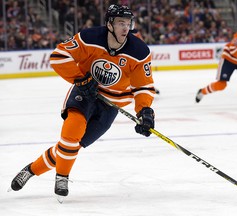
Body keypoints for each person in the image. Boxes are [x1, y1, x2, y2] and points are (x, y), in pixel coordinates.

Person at [10, 4, 156, 202]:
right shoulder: (89, 38)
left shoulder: (139, 51)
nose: (125, 27)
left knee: (71, 147)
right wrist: (80, 79)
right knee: (71, 134)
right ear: (110, 24)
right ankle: (62, 176)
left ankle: (31, 169)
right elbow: (59, 56)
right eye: (121, 22)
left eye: (128, 23)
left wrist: (145, 111)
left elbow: (143, 87)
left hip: (112, 104)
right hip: (85, 91)